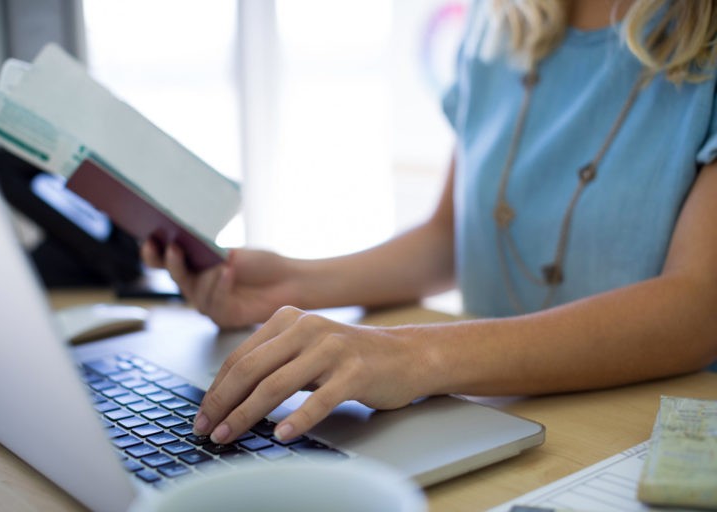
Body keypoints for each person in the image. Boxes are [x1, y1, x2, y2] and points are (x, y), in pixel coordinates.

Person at [143, 0, 717, 446]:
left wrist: (418, 356)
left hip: (631, 435)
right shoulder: (501, 22)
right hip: (494, 413)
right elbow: (450, 237)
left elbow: (697, 309)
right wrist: (293, 282)